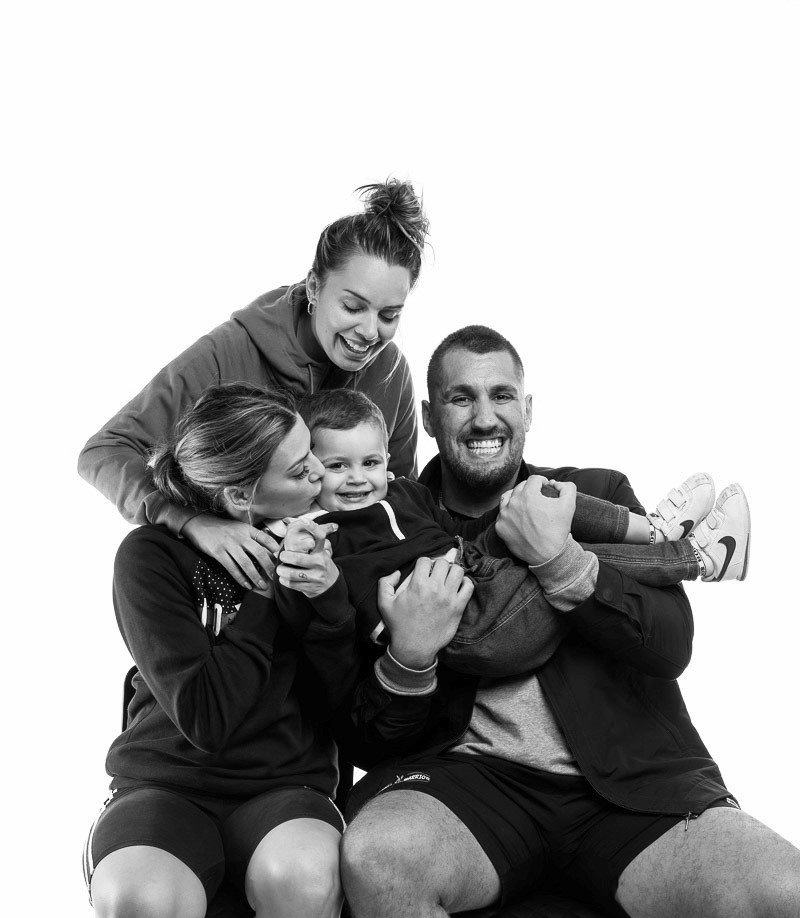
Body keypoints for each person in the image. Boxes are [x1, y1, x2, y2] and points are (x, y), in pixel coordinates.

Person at [340, 326, 800, 918]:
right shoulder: (386, 516)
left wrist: (559, 559)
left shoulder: (595, 493)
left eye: (502, 395)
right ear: (430, 418)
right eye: (461, 398)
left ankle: (692, 554)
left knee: (784, 890)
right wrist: (409, 657)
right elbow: (362, 736)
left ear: (528, 409)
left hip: (628, 787)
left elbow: (669, 645)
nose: (484, 418)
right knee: (376, 858)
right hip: (465, 784)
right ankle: (692, 552)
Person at [82, 383, 469, 918]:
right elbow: (206, 717)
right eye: (299, 469)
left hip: (289, 785)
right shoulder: (152, 556)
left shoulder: (331, 551)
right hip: (167, 785)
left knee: (303, 880)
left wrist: (331, 602)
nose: (319, 473)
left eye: (312, 452)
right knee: (142, 898)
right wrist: (264, 593)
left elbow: (342, 710)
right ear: (242, 497)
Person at [77, 179, 428, 591]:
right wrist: (190, 521)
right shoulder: (228, 352)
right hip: (238, 586)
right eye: (352, 306)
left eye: (389, 315)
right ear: (314, 288)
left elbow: (400, 494)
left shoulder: (390, 371)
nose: (369, 332)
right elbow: (105, 451)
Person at [272, 387, 748, 684]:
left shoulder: (403, 492)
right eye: (338, 466)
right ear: (311, 467)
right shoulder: (317, 533)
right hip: (465, 627)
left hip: (474, 569)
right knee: (562, 559)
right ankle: (700, 559)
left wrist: (518, 525)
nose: (358, 478)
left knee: (534, 497)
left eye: (370, 462)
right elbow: (331, 600)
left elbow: (456, 535)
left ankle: (655, 530)